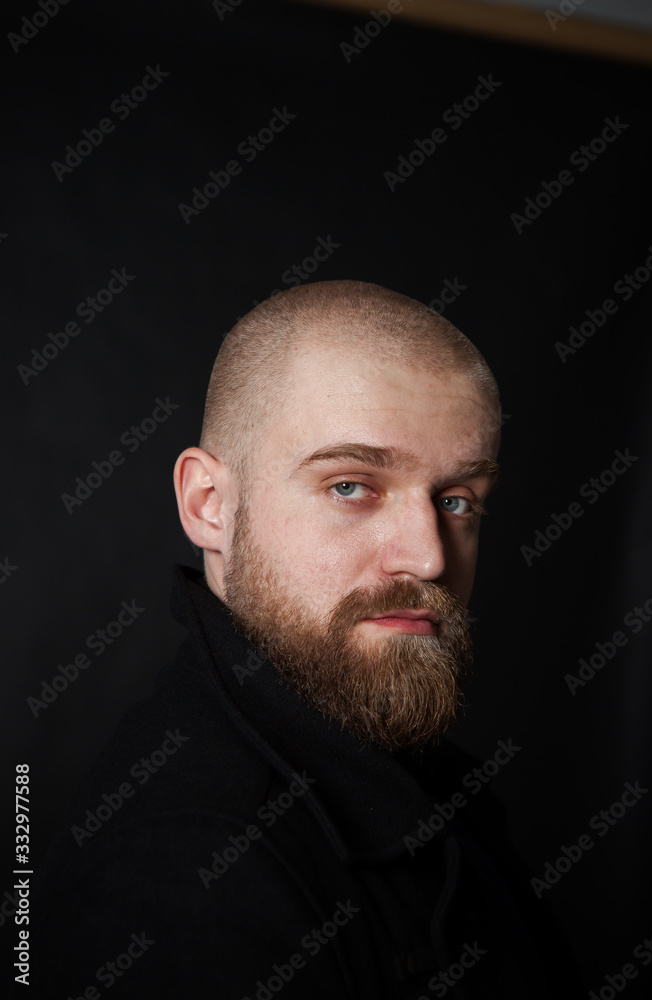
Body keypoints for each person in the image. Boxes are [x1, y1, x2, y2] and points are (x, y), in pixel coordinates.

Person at [33, 281, 578, 998]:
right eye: (351, 486)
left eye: (454, 500)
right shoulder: (188, 877)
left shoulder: (413, 770)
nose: (429, 558)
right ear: (208, 506)